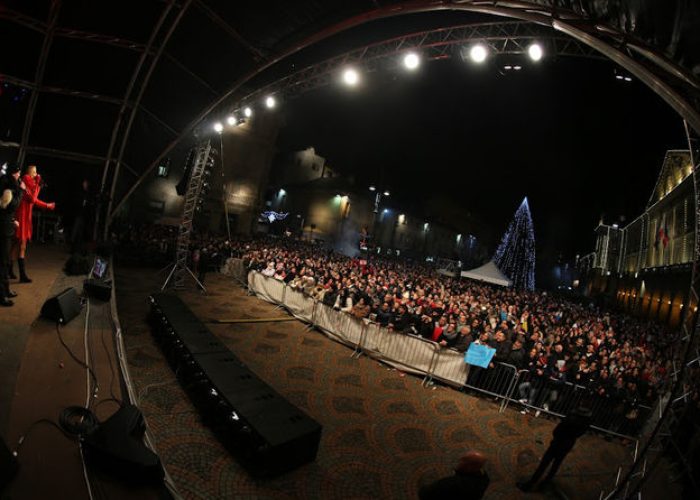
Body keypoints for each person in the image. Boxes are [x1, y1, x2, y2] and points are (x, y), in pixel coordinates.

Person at [517, 406, 592, 491]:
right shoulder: (586, 421)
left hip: (558, 442)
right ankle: (544, 485)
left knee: (544, 464)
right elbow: (579, 433)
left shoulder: (571, 417)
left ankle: (530, 484)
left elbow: (557, 430)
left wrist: (557, 435)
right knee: (555, 465)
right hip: (568, 444)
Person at [10, 165, 55, 283]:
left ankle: (8, 269)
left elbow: (34, 200)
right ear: (29, 173)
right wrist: (38, 184)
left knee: (16, 244)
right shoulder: (26, 181)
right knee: (22, 245)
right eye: (34, 172)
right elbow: (33, 199)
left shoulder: (29, 184)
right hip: (22, 216)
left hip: (25, 216)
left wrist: (47, 205)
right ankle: (22, 275)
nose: (37, 174)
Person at [419, 450, 490, 499]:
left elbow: (425, 494)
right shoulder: (485, 478)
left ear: (470, 466)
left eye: (464, 460)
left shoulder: (451, 483)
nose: (459, 461)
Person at [0, 164, 22, 306]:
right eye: (18, 173)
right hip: (2, 230)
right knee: (2, 263)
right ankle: (1, 296)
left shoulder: (8, 185)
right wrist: (20, 191)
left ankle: (6, 290)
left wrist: (12, 220)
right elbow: (9, 206)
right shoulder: (7, 187)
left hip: (6, 227)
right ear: (15, 174)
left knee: (6, 261)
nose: (19, 176)